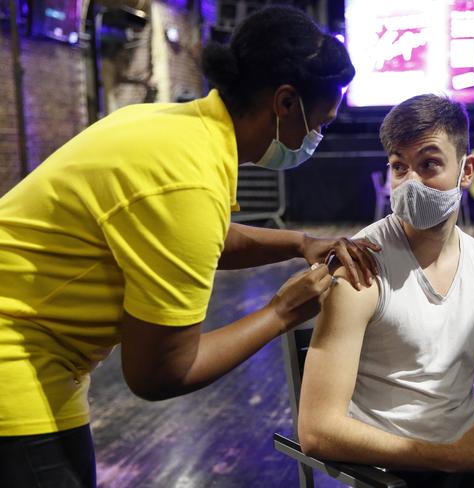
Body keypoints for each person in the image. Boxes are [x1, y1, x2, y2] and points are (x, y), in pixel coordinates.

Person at [0, 6, 380, 487]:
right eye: (319, 124)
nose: (316, 137)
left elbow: (202, 239)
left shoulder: (178, 129)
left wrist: (301, 242)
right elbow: (159, 374)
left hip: (46, 359)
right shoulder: (188, 181)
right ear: (285, 103)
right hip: (14, 357)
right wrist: (281, 313)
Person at [298, 94, 474, 487]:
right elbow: (317, 430)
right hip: (389, 474)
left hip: (473, 464)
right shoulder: (362, 266)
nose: (410, 182)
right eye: (399, 167)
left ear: (466, 170)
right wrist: (453, 458)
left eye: (429, 164)